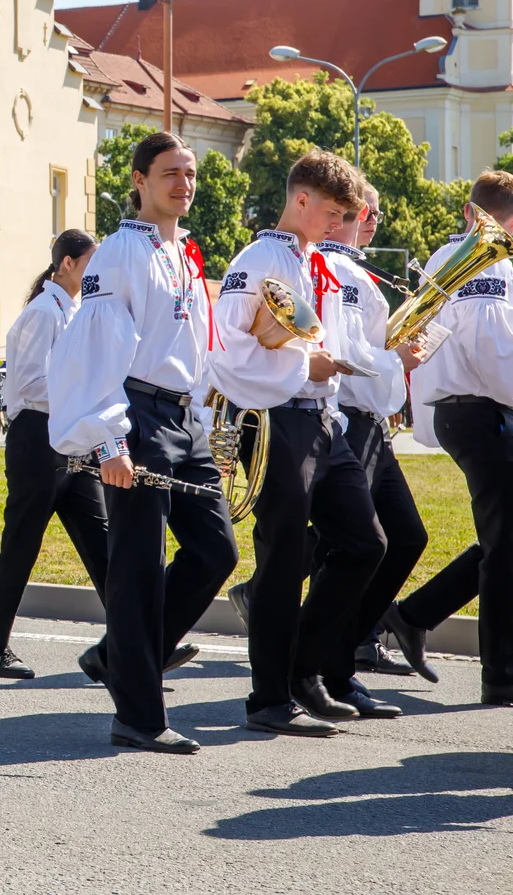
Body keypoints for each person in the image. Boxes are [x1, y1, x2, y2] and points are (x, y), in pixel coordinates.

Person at [49, 131, 238, 753]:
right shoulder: (120, 253)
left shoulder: (182, 252)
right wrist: (109, 441)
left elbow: (192, 348)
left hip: (182, 420)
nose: (183, 184)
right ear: (138, 180)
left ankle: (119, 657)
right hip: (137, 414)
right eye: (169, 174)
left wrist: (212, 417)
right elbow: (97, 347)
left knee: (216, 552)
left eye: (189, 173)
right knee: (138, 568)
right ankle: (137, 716)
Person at [209, 148, 385, 737]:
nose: (341, 227)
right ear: (301, 200)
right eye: (333, 213)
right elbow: (226, 348)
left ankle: (303, 672)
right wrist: (299, 371)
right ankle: (268, 698)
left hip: (322, 417)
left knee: (364, 543)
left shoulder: (313, 260)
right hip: (278, 417)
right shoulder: (259, 258)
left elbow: (328, 342)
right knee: (283, 558)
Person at [384, 170, 513, 707]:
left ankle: (413, 616)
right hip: (484, 408)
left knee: (504, 536)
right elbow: (490, 344)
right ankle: (501, 674)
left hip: (463, 408)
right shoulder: (495, 260)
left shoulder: (444, 256)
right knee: (506, 545)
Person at [304, 179, 422, 716]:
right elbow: (350, 351)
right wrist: (398, 361)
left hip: (368, 415)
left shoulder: (354, 270)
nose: (371, 220)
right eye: (364, 211)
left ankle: (339, 654)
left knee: (400, 538)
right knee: (359, 543)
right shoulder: (336, 270)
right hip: (352, 415)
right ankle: (327, 662)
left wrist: (394, 357)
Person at [0, 228, 109, 679]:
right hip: (38, 437)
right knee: (21, 545)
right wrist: (84, 393)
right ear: (67, 264)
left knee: (105, 546)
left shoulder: (74, 310)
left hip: (74, 437)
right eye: (91, 262)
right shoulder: (42, 313)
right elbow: (30, 385)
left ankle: (138, 644)